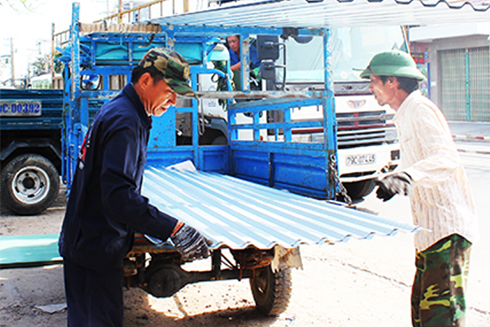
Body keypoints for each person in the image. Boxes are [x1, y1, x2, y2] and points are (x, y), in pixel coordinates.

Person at [58, 48, 211, 327]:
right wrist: (173, 229)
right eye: (169, 91)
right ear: (145, 81)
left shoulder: (123, 110)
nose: (174, 101)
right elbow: (118, 197)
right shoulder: (126, 121)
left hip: (88, 239)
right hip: (94, 245)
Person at [360, 50, 479, 327]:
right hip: (429, 235)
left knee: (441, 320)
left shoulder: (419, 109)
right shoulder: (405, 114)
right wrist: (393, 177)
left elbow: (445, 158)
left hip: (447, 234)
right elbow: (420, 161)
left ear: (393, 82)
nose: (370, 87)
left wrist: (406, 177)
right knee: (423, 317)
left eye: (374, 80)